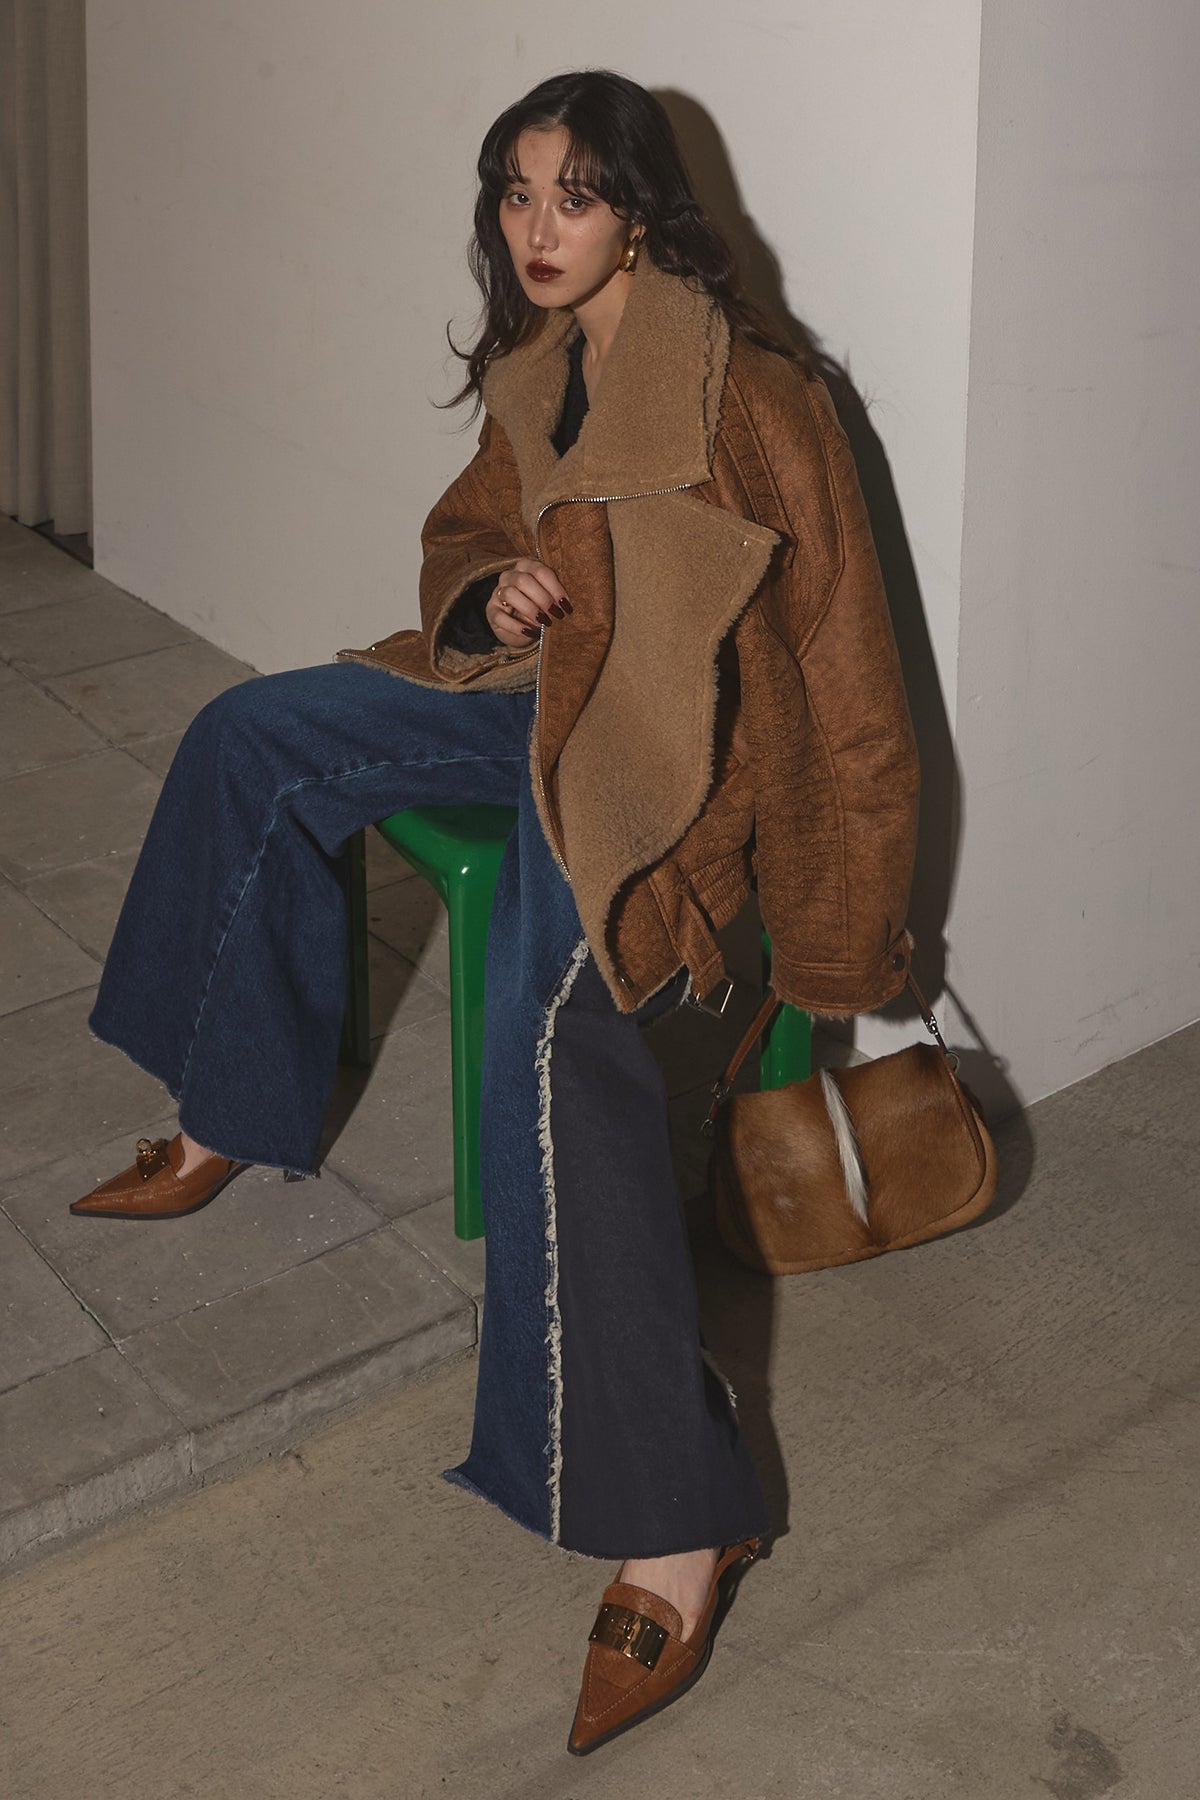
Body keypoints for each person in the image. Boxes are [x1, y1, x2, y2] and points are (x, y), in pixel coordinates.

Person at [72, 70, 920, 1754]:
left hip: (671, 778)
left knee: (545, 1033)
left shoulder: (762, 399)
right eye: (518, 194)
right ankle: (231, 1099)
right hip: (536, 706)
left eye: (575, 195)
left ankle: (682, 1519)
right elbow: (467, 529)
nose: (539, 228)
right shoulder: (541, 363)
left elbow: (850, 682)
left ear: (641, 213)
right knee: (253, 734)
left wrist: (836, 946)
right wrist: (488, 592)